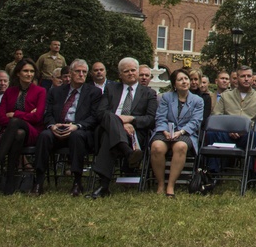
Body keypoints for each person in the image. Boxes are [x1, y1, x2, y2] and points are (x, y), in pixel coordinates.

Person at [88, 57, 159, 198]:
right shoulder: (111, 89)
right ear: (120, 74)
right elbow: (100, 113)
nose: (131, 73)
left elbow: (151, 119)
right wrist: (120, 122)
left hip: (134, 133)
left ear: (138, 72)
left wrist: (131, 119)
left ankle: (104, 186)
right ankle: (128, 151)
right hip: (110, 128)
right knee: (109, 117)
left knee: (109, 138)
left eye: (133, 70)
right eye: (126, 71)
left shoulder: (149, 93)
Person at [32, 59, 101, 196]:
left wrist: (77, 126)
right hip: (57, 128)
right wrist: (52, 125)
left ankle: (77, 182)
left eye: (84, 72)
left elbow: (95, 117)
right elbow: (47, 113)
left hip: (80, 131)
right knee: (44, 136)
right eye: (78, 71)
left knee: (77, 137)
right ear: (70, 73)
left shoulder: (94, 92)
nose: (81, 74)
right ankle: (38, 181)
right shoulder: (56, 92)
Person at [0, 58, 46, 194]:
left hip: (32, 132)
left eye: (32, 71)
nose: (29, 74)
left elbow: (37, 117)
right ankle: (9, 183)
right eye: (25, 71)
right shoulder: (10, 92)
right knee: (18, 134)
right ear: (18, 73)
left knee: (15, 122)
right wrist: (26, 115)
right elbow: (1, 118)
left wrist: (15, 114)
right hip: (11, 133)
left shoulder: (40, 91)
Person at [150, 68, 204, 197]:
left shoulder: (197, 100)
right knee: (157, 147)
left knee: (180, 146)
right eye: (180, 80)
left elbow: (195, 122)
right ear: (174, 84)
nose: (184, 82)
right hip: (165, 131)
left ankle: (171, 185)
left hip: (186, 133)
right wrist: (165, 131)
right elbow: (161, 117)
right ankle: (161, 184)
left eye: (186, 79)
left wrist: (180, 132)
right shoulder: (166, 98)